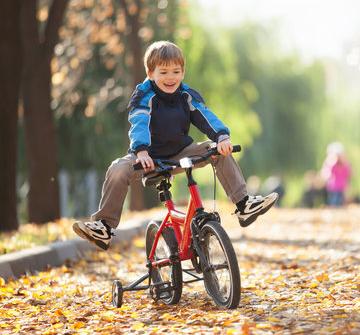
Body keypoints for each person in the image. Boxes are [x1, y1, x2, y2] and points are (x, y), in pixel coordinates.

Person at [73, 41, 278, 251]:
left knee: (215, 150)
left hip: (179, 153)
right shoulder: (145, 96)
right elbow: (139, 123)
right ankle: (104, 227)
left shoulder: (186, 96)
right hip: (148, 157)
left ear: (182, 73)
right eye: (163, 72)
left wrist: (222, 137)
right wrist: (141, 150)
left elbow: (206, 116)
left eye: (175, 71)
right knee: (117, 169)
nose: (170, 77)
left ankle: (243, 204)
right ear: (150, 73)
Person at [321, 142, 352, 207]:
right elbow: (327, 172)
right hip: (334, 187)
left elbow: (348, 173)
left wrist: (346, 161)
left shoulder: (344, 165)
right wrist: (332, 160)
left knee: (340, 200)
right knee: (334, 200)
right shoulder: (331, 164)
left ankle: (337, 210)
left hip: (341, 186)